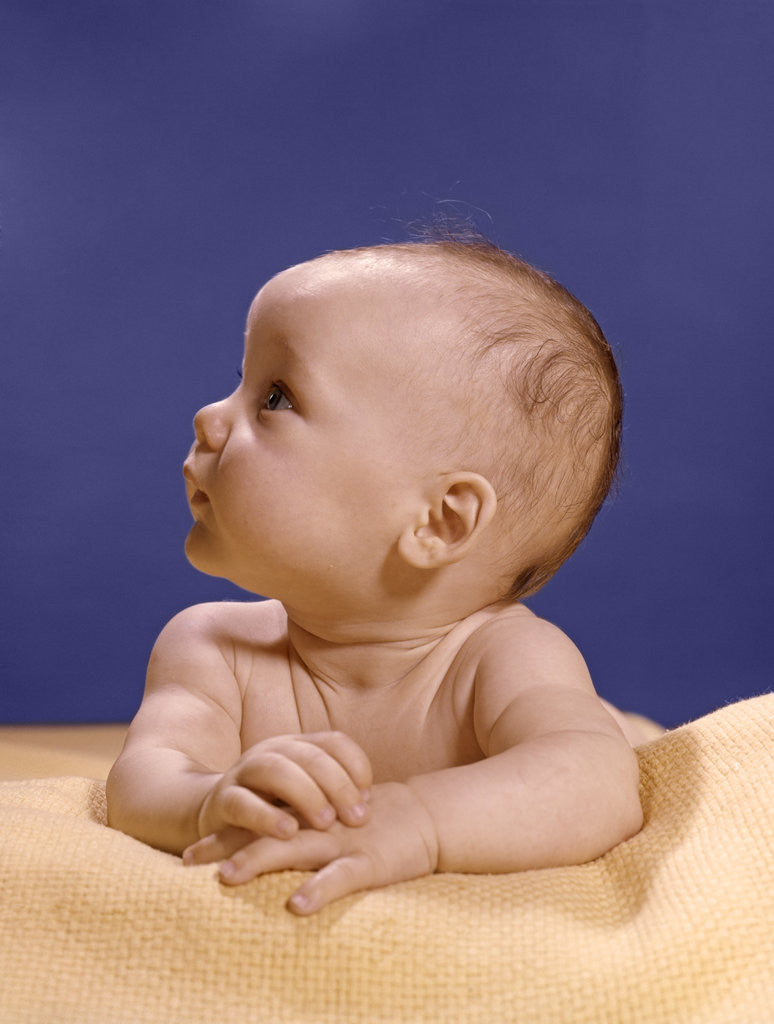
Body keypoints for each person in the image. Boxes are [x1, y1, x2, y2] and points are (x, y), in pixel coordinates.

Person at [106, 234, 645, 916]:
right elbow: (141, 782)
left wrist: (418, 821)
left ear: (439, 523)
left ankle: (628, 722)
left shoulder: (502, 657)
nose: (209, 418)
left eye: (275, 397)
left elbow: (593, 786)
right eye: (240, 380)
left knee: (619, 740)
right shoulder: (212, 648)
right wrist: (208, 801)